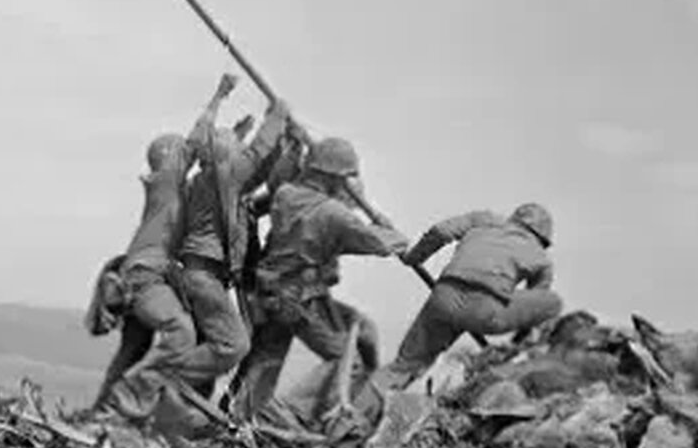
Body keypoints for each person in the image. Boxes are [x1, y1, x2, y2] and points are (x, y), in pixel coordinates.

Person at [225, 137, 410, 423]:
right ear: (334, 177)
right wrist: (391, 232)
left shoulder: (285, 195)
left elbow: (289, 186)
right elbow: (378, 243)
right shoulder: (333, 214)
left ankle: (240, 419)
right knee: (347, 361)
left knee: (268, 359)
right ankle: (293, 413)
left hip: (271, 294)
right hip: (300, 299)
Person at [90, 74, 238, 416]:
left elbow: (212, 164)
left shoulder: (171, 190)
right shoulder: (166, 183)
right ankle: (128, 396)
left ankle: (103, 411)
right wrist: (219, 96)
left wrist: (235, 140)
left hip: (148, 275)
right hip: (146, 276)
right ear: (171, 158)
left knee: (133, 349)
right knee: (180, 332)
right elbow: (197, 139)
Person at [157, 97, 292, 398]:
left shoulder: (207, 183)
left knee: (216, 344)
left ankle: (186, 406)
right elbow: (256, 157)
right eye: (236, 150)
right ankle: (169, 375)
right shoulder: (223, 180)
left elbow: (258, 168)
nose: (241, 154)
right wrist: (277, 116)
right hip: (203, 277)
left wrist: (283, 141)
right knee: (235, 344)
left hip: (202, 276)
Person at [373, 203, 564, 391]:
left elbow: (441, 231)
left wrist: (413, 258)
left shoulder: (482, 219)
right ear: (543, 238)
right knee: (552, 303)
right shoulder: (541, 258)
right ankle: (518, 355)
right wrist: (515, 346)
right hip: (485, 309)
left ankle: (353, 414)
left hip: (444, 297)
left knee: (403, 366)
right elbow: (533, 309)